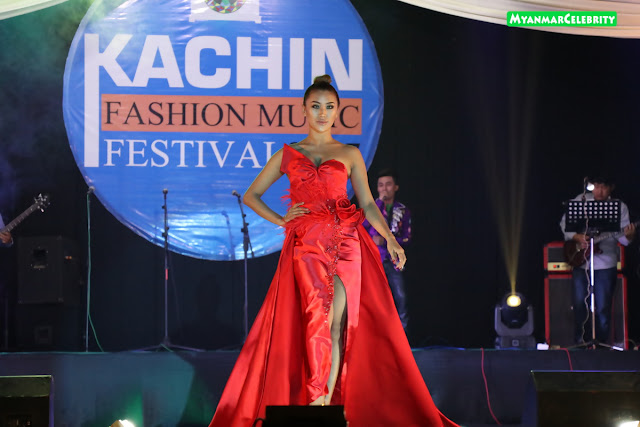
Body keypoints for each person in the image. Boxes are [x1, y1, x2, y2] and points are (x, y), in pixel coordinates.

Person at [209, 75, 457, 427]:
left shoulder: (349, 153)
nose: (322, 113)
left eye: (329, 107)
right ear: (303, 110)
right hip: (307, 245)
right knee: (317, 318)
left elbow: (367, 203)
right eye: (315, 106)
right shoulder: (289, 154)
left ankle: (325, 403)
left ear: (338, 111)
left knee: (337, 324)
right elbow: (251, 195)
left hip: (346, 243)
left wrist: (389, 238)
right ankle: (316, 401)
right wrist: (282, 220)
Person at [560, 175, 635, 346]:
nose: (599, 191)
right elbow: (564, 225)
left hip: (606, 262)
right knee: (579, 304)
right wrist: (577, 236)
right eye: (596, 186)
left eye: (604, 187)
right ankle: (580, 342)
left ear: (611, 188)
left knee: (602, 307)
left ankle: (600, 344)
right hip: (581, 261)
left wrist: (629, 236)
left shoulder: (619, 206)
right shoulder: (581, 200)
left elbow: (623, 240)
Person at [363, 169, 411, 329]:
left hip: (393, 260)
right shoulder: (372, 208)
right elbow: (361, 227)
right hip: (374, 259)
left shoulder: (402, 210)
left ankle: (402, 335)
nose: (384, 188)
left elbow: (407, 237)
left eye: (388, 184)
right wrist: (377, 203)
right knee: (372, 298)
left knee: (400, 297)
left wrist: (386, 240)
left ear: (395, 187)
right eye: (381, 185)